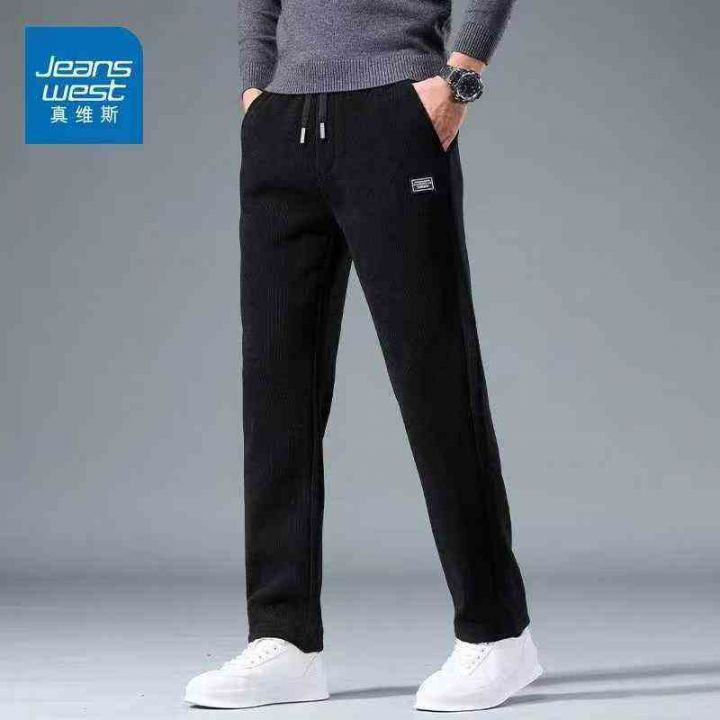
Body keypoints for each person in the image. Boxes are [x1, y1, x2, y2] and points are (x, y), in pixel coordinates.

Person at [185, 0, 541, 711]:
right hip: (282, 124)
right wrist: (257, 92)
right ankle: (284, 639)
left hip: (395, 113)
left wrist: (459, 79)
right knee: (276, 390)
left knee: (435, 379)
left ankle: (497, 633)